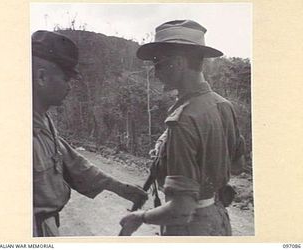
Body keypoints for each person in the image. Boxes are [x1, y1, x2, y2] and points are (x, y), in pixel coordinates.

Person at [120, 20, 246, 236]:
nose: (155, 72)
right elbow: (237, 166)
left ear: (178, 63)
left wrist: (139, 217)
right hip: (218, 219)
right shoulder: (223, 105)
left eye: (158, 63)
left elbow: (181, 210)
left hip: (191, 229)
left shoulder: (184, 119)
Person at [32, 30, 147, 237]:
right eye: (66, 78)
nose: (69, 87)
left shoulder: (42, 119)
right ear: (41, 76)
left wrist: (121, 188)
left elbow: (71, 161)